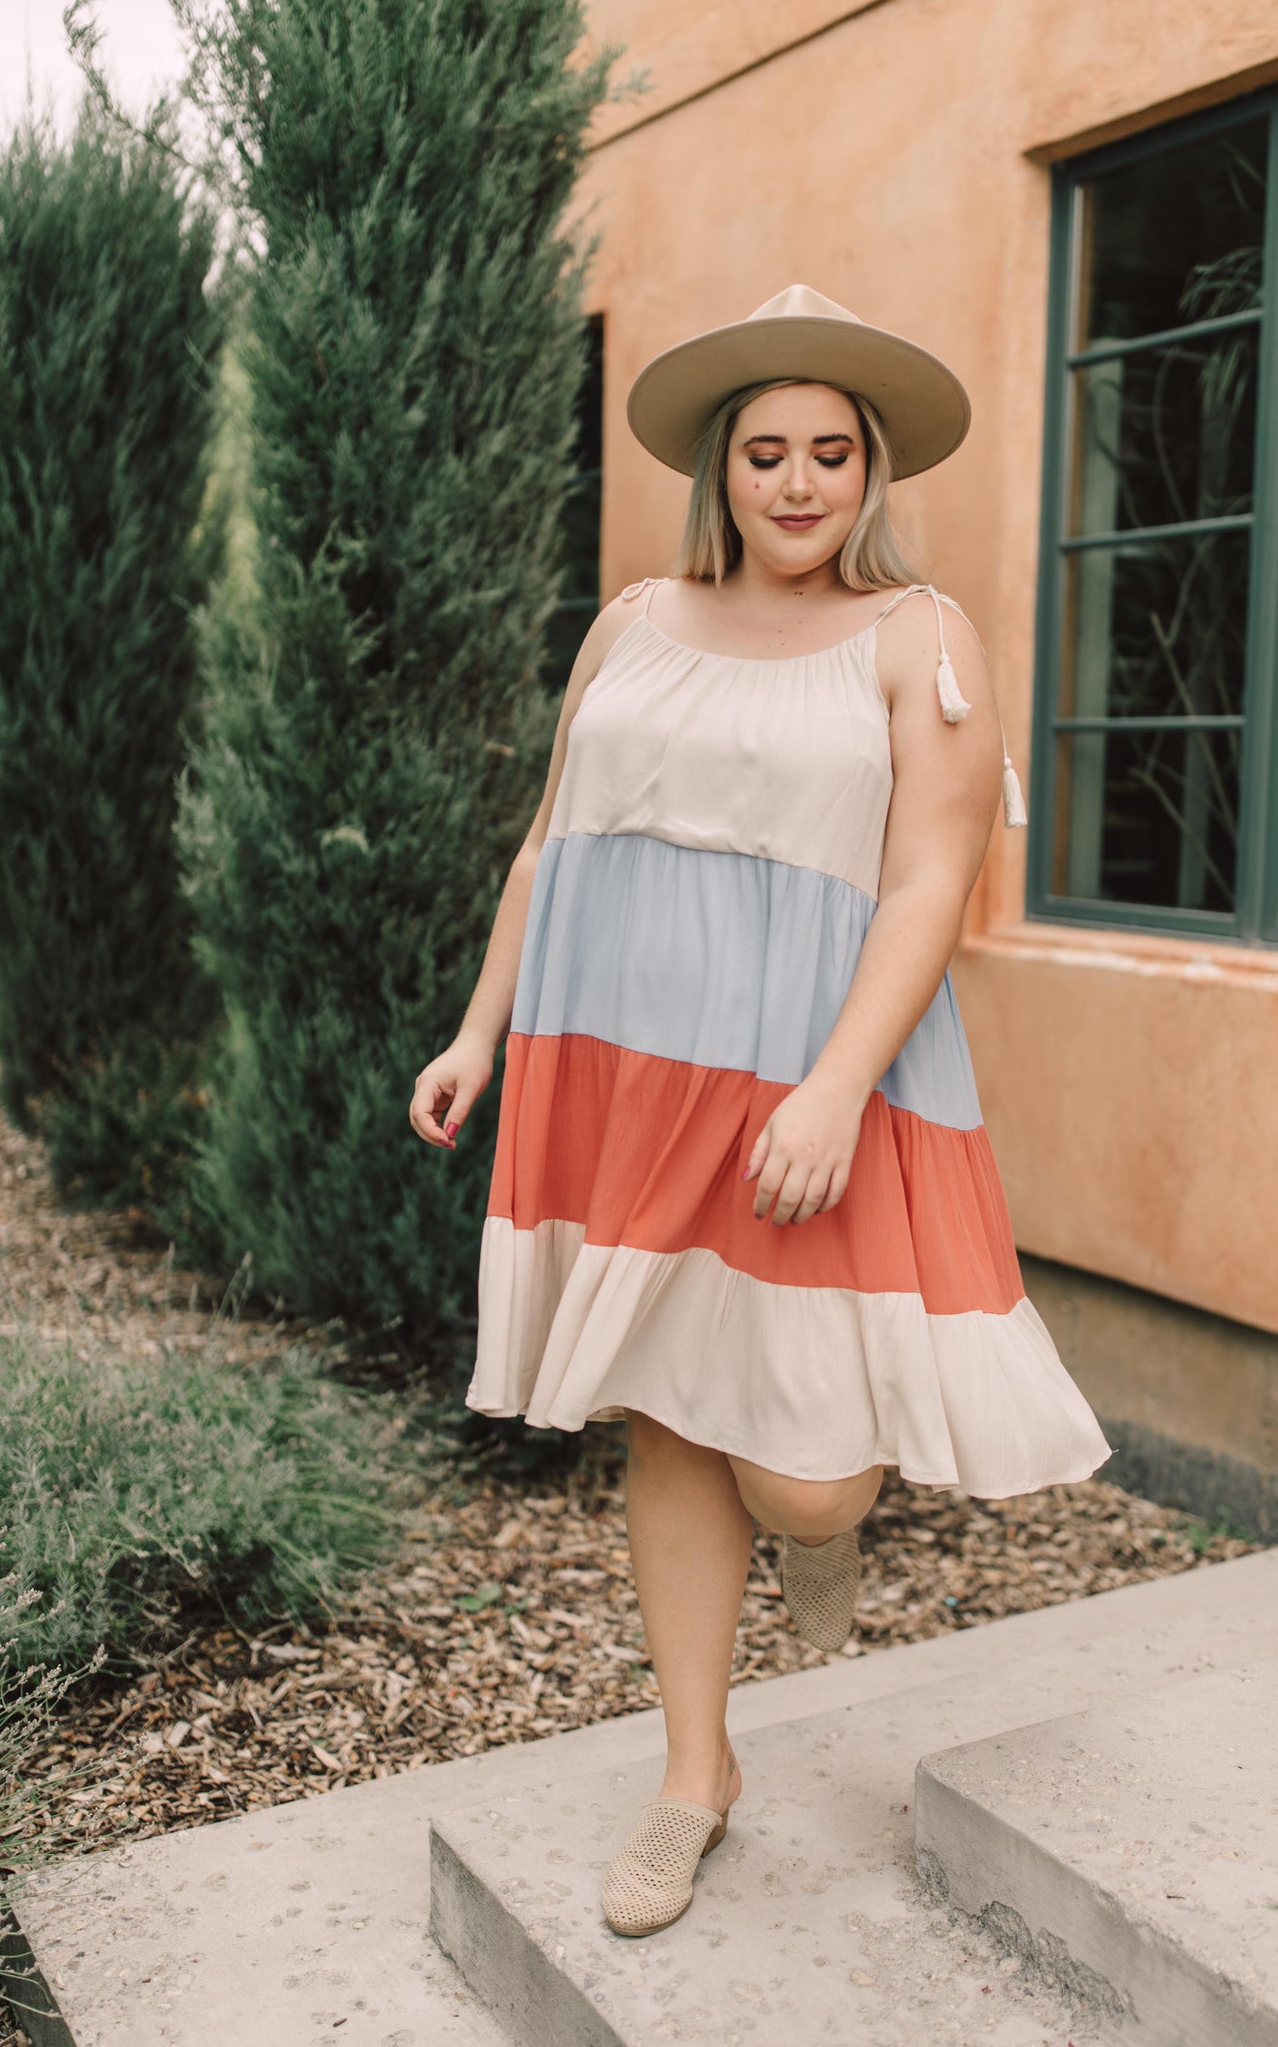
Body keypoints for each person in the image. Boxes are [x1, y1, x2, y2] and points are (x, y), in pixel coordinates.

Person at [408, 284, 1113, 1939]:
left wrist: (830, 1086)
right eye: (765, 454)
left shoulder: (916, 635)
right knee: (670, 1405)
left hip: (812, 1075)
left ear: (868, 474)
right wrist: (476, 1032)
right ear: (720, 471)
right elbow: (548, 842)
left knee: (801, 1480)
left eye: (829, 454)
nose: (796, 483)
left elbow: (933, 879)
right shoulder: (630, 621)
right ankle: (693, 1776)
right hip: (624, 1065)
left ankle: (817, 1540)